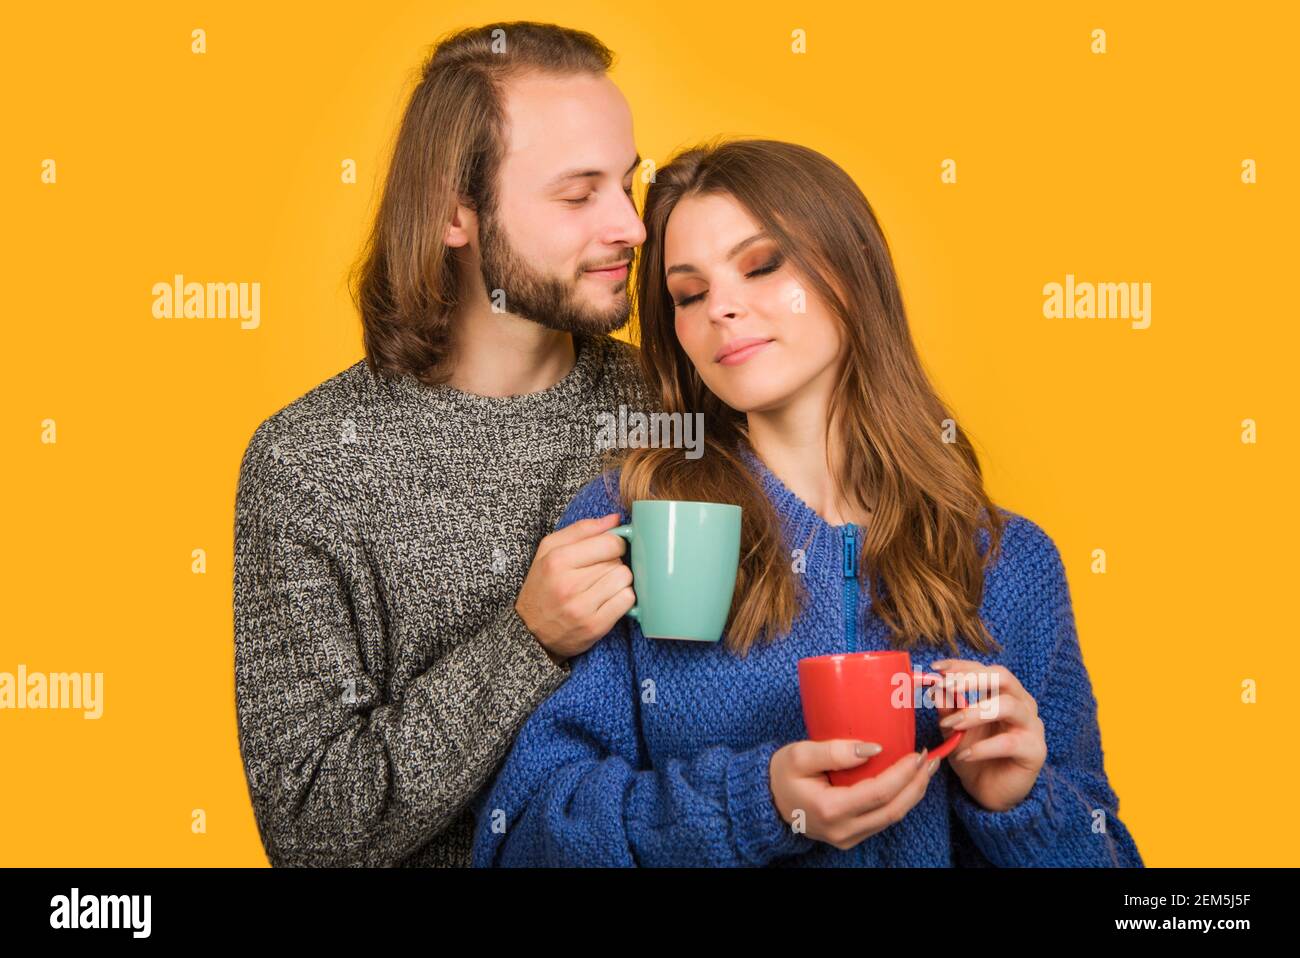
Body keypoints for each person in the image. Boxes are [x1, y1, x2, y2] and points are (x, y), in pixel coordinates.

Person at [471, 138, 1145, 867]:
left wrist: (1018, 804)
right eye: (689, 294)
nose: (722, 308)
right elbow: (524, 837)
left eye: (762, 266)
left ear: (850, 272)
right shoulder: (636, 525)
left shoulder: (1012, 560)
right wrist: (753, 803)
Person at [233, 21, 657, 867]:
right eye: (579, 197)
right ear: (455, 212)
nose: (632, 227)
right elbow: (311, 833)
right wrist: (524, 640)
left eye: (629, 184)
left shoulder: (677, 407)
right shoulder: (309, 463)